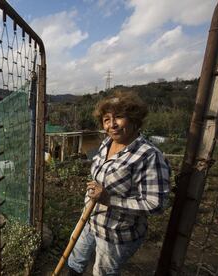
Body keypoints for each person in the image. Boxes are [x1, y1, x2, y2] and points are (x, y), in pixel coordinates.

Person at [67, 91, 171, 275]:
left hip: (115, 233)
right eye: (106, 119)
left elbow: (156, 204)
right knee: (75, 260)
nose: (112, 124)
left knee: (103, 272)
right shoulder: (106, 143)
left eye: (119, 117)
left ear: (134, 119)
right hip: (90, 220)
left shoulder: (148, 155)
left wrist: (109, 200)